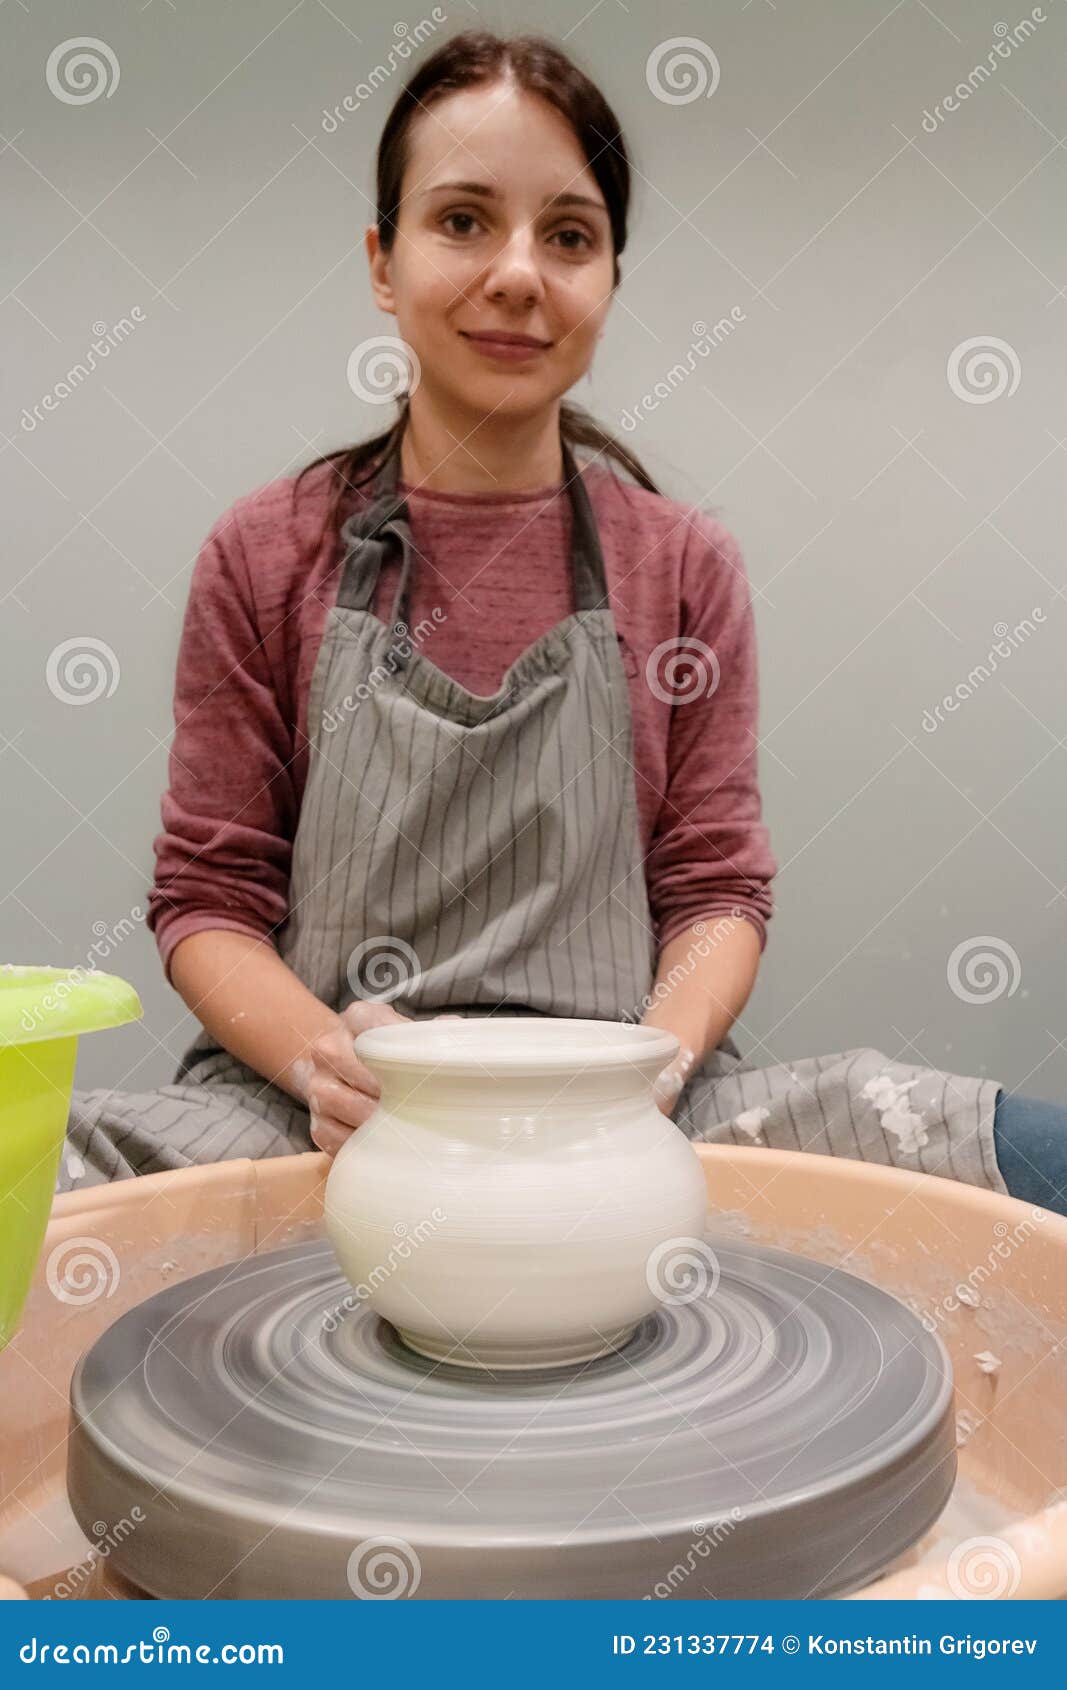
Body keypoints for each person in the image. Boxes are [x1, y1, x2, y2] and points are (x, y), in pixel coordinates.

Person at [58, 29, 1066, 1217]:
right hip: (310, 1111)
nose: (520, 273)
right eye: (464, 220)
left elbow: (714, 893)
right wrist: (325, 1061)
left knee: (1014, 1155)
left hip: (628, 1101)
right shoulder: (265, 553)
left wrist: (647, 1071)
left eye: (569, 235)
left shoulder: (683, 566)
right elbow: (207, 899)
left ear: (609, 283)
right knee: (48, 1169)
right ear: (383, 262)